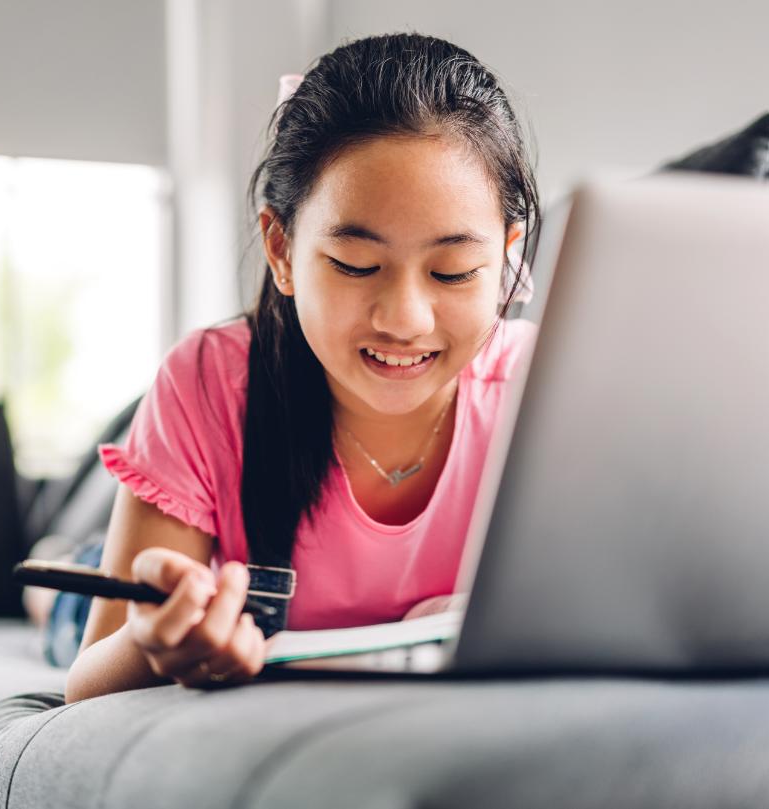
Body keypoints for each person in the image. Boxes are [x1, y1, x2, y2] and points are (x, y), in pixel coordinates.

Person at [63, 32, 540, 702]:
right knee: (68, 596)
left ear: (507, 260)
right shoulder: (208, 379)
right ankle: (69, 552)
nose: (405, 318)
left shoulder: (544, 394)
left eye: (453, 271)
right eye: (356, 265)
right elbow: (86, 685)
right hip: (185, 535)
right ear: (281, 249)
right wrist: (157, 644)